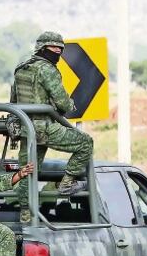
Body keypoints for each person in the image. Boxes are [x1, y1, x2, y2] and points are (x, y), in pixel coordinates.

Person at [11, 31, 94, 221]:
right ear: (42, 47)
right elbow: (63, 104)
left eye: (60, 49)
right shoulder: (48, 69)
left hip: (26, 129)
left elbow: (13, 100)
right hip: (45, 127)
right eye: (53, 48)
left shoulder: (21, 68)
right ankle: (67, 184)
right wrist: (70, 105)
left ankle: (25, 214)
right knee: (85, 143)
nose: (57, 51)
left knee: (28, 170)